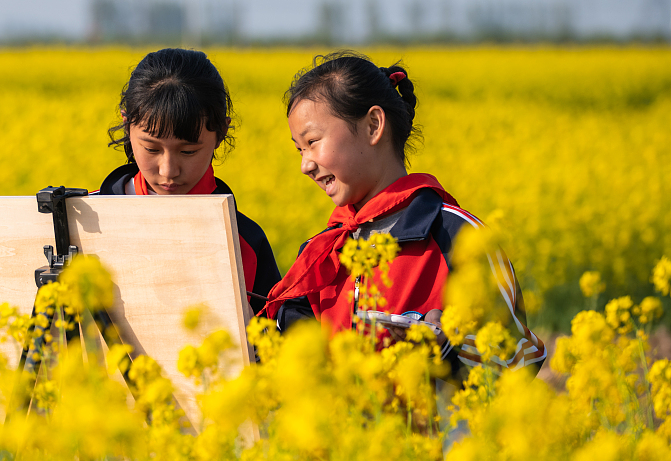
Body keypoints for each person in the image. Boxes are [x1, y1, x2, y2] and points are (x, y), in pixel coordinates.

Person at [261, 50, 546, 381]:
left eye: (312, 142)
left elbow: (519, 359)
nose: (305, 165)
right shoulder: (324, 251)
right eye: (299, 149)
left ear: (373, 125)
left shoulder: (458, 235)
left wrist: (449, 347)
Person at [95, 48, 281, 316]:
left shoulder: (245, 243)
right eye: (152, 149)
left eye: (188, 151)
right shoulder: (85, 218)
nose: (168, 170)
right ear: (127, 126)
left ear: (221, 133)